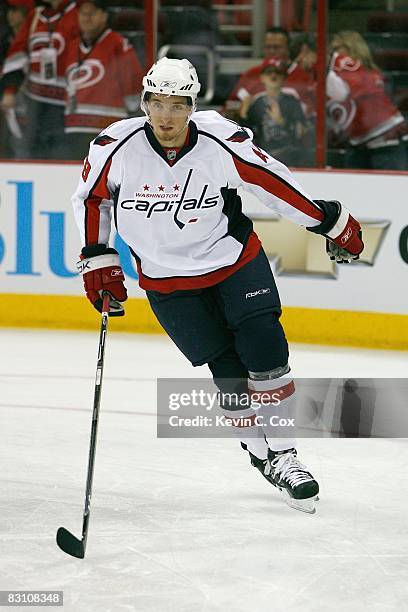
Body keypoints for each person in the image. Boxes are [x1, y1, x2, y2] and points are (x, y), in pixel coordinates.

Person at [72, 58, 364, 514]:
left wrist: (327, 221)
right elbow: (92, 198)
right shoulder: (115, 146)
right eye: (158, 104)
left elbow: (275, 186)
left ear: (193, 105)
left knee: (265, 349)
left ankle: (286, 456)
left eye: (179, 105)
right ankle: (258, 451)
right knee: (227, 371)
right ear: (145, 103)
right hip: (168, 281)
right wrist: (98, 257)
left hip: (233, 262)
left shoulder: (220, 141)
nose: (167, 116)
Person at [62, 0, 143, 160]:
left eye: (92, 13)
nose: (86, 18)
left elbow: (132, 86)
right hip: (74, 127)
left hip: (107, 128)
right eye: (83, 13)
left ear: (104, 16)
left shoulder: (118, 44)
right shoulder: (72, 46)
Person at [0, 0, 79, 159]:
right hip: (35, 102)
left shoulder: (76, 13)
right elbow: (19, 53)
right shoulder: (35, 16)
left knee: (62, 151)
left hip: (66, 103)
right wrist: (10, 91)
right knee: (33, 149)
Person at [327, 31, 408, 170]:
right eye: (332, 49)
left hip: (387, 144)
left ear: (352, 48)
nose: (333, 54)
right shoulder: (338, 77)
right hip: (358, 144)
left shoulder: (371, 75)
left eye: (337, 49)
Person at [224, 28, 316, 123]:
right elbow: (229, 107)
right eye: (268, 47)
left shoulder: (303, 76)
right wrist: (242, 108)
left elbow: (312, 113)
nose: (272, 51)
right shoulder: (252, 74)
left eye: (277, 47)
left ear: (288, 49)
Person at [239, 58, 307, 167]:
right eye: (269, 72)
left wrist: (281, 121)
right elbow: (247, 135)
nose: (273, 75)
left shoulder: (292, 102)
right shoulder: (257, 103)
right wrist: (243, 114)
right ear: (262, 78)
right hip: (264, 160)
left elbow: (301, 133)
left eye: (277, 72)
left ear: (283, 78)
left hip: (289, 158)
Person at [0, 0, 34, 158]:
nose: (11, 15)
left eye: (16, 11)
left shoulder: (33, 40)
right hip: (6, 104)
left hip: (29, 102)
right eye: (10, 10)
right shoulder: (4, 38)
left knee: (23, 145)